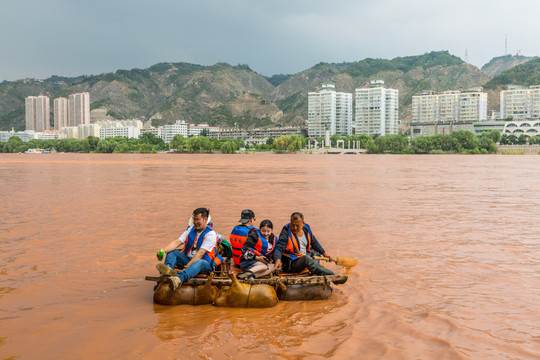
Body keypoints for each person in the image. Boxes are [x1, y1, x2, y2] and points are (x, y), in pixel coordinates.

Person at [156, 207, 223, 290]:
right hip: (189, 260)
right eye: (194, 219)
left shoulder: (211, 234)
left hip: (204, 265)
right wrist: (162, 251)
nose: (195, 222)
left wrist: (186, 267)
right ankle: (168, 271)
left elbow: (200, 254)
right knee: (173, 252)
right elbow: (177, 242)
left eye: (198, 220)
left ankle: (178, 279)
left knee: (200, 262)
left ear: (205, 219)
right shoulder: (191, 229)